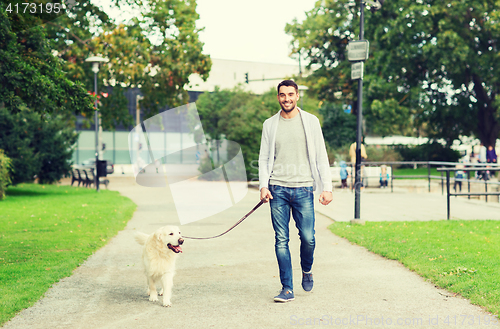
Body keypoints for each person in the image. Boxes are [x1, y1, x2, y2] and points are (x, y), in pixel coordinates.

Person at [259, 80, 333, 303]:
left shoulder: (310, 121)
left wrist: (327, 188)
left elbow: (321, 155)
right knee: (281, 239)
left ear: (298, 95)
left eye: (290, 94)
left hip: (304, 189)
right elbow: (264, 158)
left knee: (308, 238)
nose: (286, 99)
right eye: (282, 95)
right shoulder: (270, 124)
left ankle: (307, 269)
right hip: (278, 189)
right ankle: (287, 288)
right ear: (278, 97)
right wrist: (264, 185)